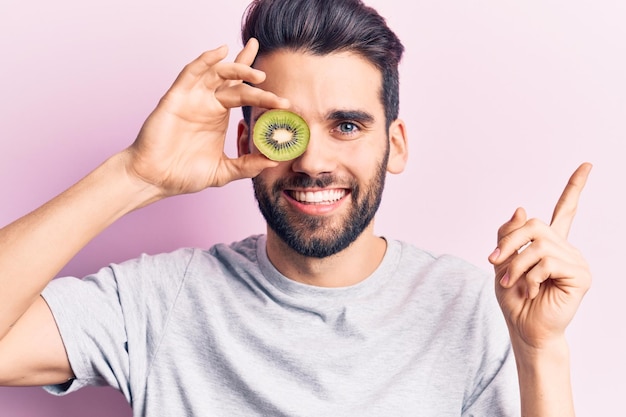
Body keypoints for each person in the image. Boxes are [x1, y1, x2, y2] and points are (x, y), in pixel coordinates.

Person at [0, 0, 592, 416]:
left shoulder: (472, 306)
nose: (311, 162)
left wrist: (541, 350)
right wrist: (135, 175)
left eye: (347, 124)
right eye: (284, 129)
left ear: (396, 144)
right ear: (243, 142)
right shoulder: (160, 300)